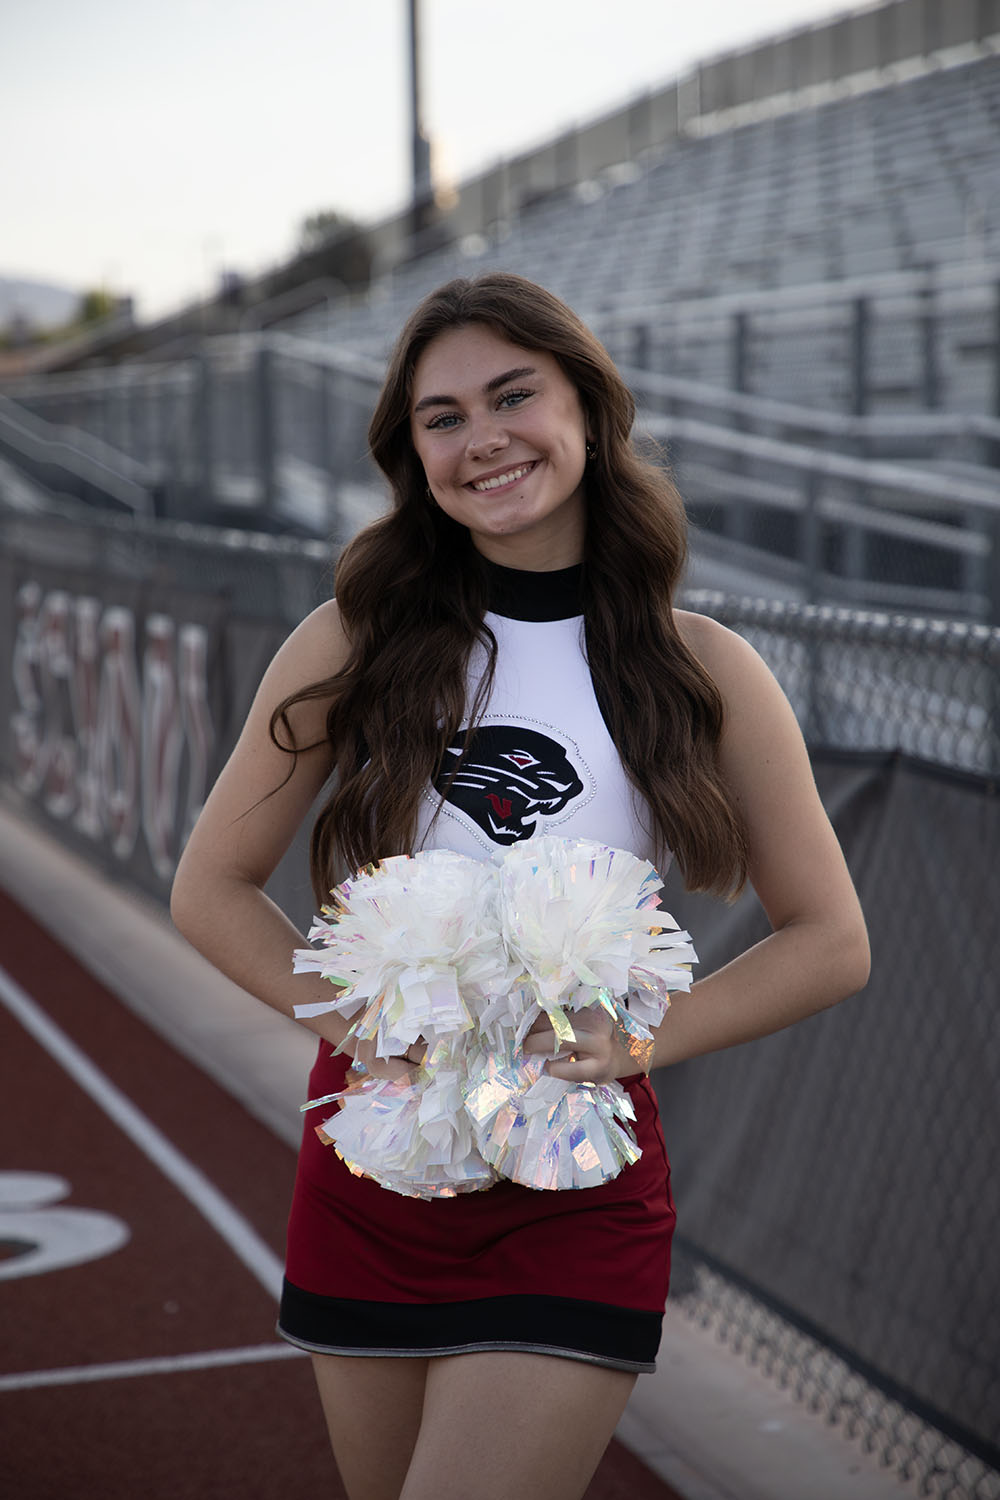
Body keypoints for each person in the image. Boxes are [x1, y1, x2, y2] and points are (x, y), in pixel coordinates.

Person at [170, 271, 870, 1500]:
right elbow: (212, 887)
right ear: (413, 453)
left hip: (571, 1167)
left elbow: (829, 939)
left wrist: (646, 1039)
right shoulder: (354, 637)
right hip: (376, 1156)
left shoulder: (705, 668)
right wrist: (352, 1020)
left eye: (512, 396)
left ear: (588, 412)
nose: (482, 437)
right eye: (442, 418)